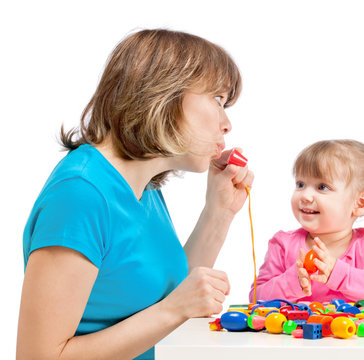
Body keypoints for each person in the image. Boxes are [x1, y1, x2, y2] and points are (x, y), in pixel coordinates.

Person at [17, 29, 253, 360]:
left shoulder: (145, 186)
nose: (226, 123)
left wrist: (219, 213)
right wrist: (173, 310)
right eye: (217, 100)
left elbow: (167, 298)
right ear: (163, 93)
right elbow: (39, 356)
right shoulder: (80, 194)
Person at [250, 139, 364, 308]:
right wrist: (293, 280)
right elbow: (256, 298)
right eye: (300, 184)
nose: (305, 196)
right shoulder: (283, 244)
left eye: (322, 187)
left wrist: (340, 275)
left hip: (354, 334)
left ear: (359, 203)